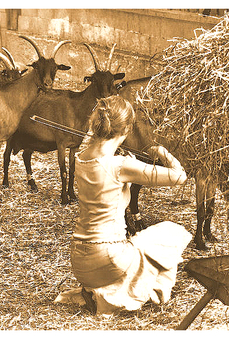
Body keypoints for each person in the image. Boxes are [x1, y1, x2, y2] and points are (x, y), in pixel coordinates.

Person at [54, 95, 192, 315]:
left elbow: (97, 153)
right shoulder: (121, 164)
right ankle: (153, 294)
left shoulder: (81, 158)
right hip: (108, 259)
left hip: (79, 261)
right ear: (128, 129)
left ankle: (100, 291)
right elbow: (179, 177)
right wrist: (160, 151)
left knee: (141, 245)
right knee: (172, 232)